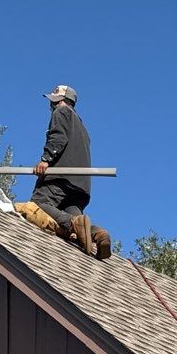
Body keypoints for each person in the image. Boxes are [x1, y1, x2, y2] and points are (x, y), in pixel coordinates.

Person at [19, 84, 111, 258]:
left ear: (61, 99)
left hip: (61, 178)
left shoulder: (61, 112)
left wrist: (46, 159)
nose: (50, 103)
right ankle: (97, 234)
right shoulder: (82, 127)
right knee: (75, 217)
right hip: (80, 185)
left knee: (37, 203)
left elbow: (58, 137)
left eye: (53, 98)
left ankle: (73, 223)